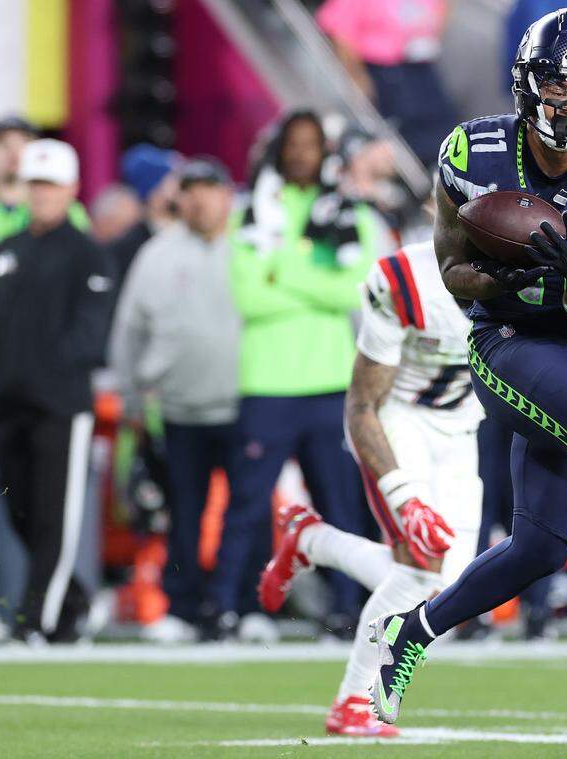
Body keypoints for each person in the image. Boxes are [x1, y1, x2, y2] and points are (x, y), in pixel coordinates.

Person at [367, 10, 567, 726]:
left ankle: (409, 632)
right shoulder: (472, 151)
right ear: (526, 83)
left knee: (539, 547)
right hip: (504, 338)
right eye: (556, 84)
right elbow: (453, 272)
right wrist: (508, 275)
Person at [259, 239, 483, 737]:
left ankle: (312, 540)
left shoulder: (535, 268)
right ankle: (352, 703)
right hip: (397, 421)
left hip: (463, 428)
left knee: (452, 594)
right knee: (422, 572)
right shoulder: (406, 279)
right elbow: (362, 406)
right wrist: (405, 495)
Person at [214, 109, 391, 638]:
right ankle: (229, 606)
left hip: (329, 384)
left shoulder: (348, 213)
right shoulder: (248, 213)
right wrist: (315, 277)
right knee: (246, 504)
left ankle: (345, 610)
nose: (300, 154)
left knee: (338, 504)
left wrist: (283, 272)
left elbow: (357, 290)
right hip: (266, 382)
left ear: (325, 153)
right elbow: (248, 298)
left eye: (310, 144)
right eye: (292, 143)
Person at [0, 139, 116, 643]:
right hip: (11, 402)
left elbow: (90, 332)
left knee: (54, 516)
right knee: (21, 510)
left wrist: (43, 371)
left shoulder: (87, 254)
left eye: (51, 185)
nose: (42, 195)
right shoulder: (7, 249)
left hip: (61, 405)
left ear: (72, 189)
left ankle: (40, 620)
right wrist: (3, 374)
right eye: (35, 184)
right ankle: (74, 602)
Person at [0, 117, 87, 643]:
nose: (14, 158)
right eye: (4, 147)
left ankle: (33, 605)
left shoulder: (61, 225)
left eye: (23, 148)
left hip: (27, 387)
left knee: (21, 504)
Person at [108, 157, 241, 643]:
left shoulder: (251, 247)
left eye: (210, 188)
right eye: (192, 189)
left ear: (228, 195)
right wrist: (130, 395)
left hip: (246, 400)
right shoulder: (157, 254)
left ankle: (237, 605)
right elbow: (129, 331)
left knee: (245, 511)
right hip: (179, 405)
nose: (201, 199)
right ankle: (182, 607)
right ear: (178, 197)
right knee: (184, 509)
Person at [315, 0, 458, 166]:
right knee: (407, 145)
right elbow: (339, 31)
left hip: (420, 68)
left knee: (444, 138)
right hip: (385, 71)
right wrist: (357, 77)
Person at [106, 144, 182, 289]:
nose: (179, 189)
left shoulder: (187, 234)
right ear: (154, 191)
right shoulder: (128, 248)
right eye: (170, 181)